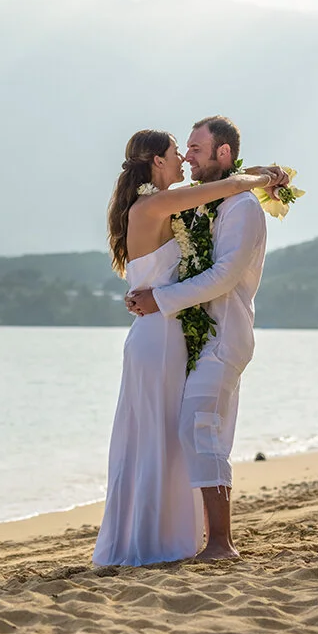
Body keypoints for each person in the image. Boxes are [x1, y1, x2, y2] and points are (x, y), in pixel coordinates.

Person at [93, 129, 285, 567]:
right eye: (177, 152)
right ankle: (146, 541)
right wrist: (262, 178)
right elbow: (229, 185)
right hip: (157, 337)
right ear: (158, 163)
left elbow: (223, 184)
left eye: (190, 151)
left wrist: (261, 175)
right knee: (153, 439)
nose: (183, 158)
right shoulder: (154, 205)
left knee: (166, 438)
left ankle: (164, 538)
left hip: (167, 335)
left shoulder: (167, 201)